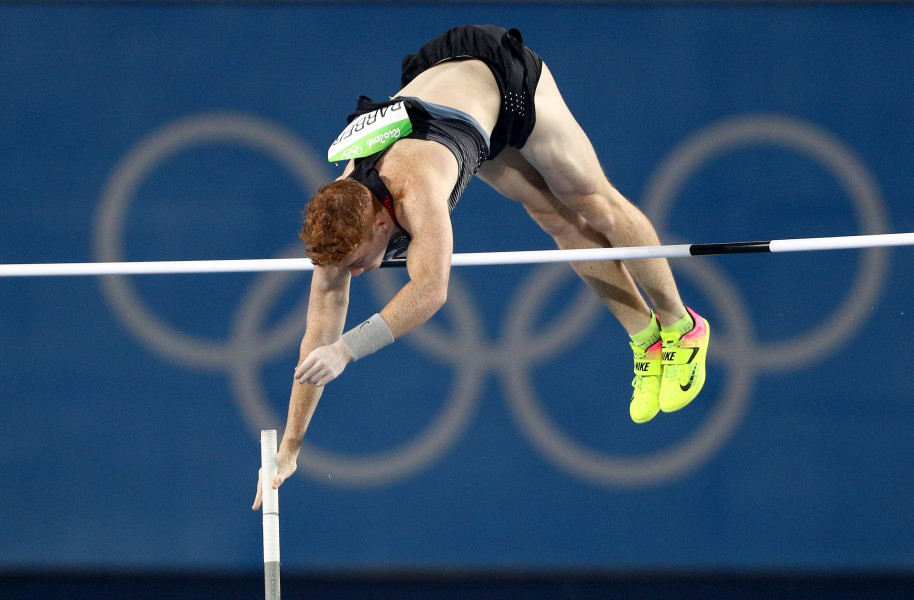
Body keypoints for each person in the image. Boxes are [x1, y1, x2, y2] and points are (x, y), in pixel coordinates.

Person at [253, 25, 709, 509]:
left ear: (381, 224)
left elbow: (430, 290)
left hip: (499, 82)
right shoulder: (341, 224)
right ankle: (647, 338)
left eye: (360, 261)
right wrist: (290, 449)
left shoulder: (416, 187)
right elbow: (314, 343)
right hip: (445, 98)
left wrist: (348, 350)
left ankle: (684, 325)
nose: (359, 271)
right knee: (552, 215)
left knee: (593, 202)